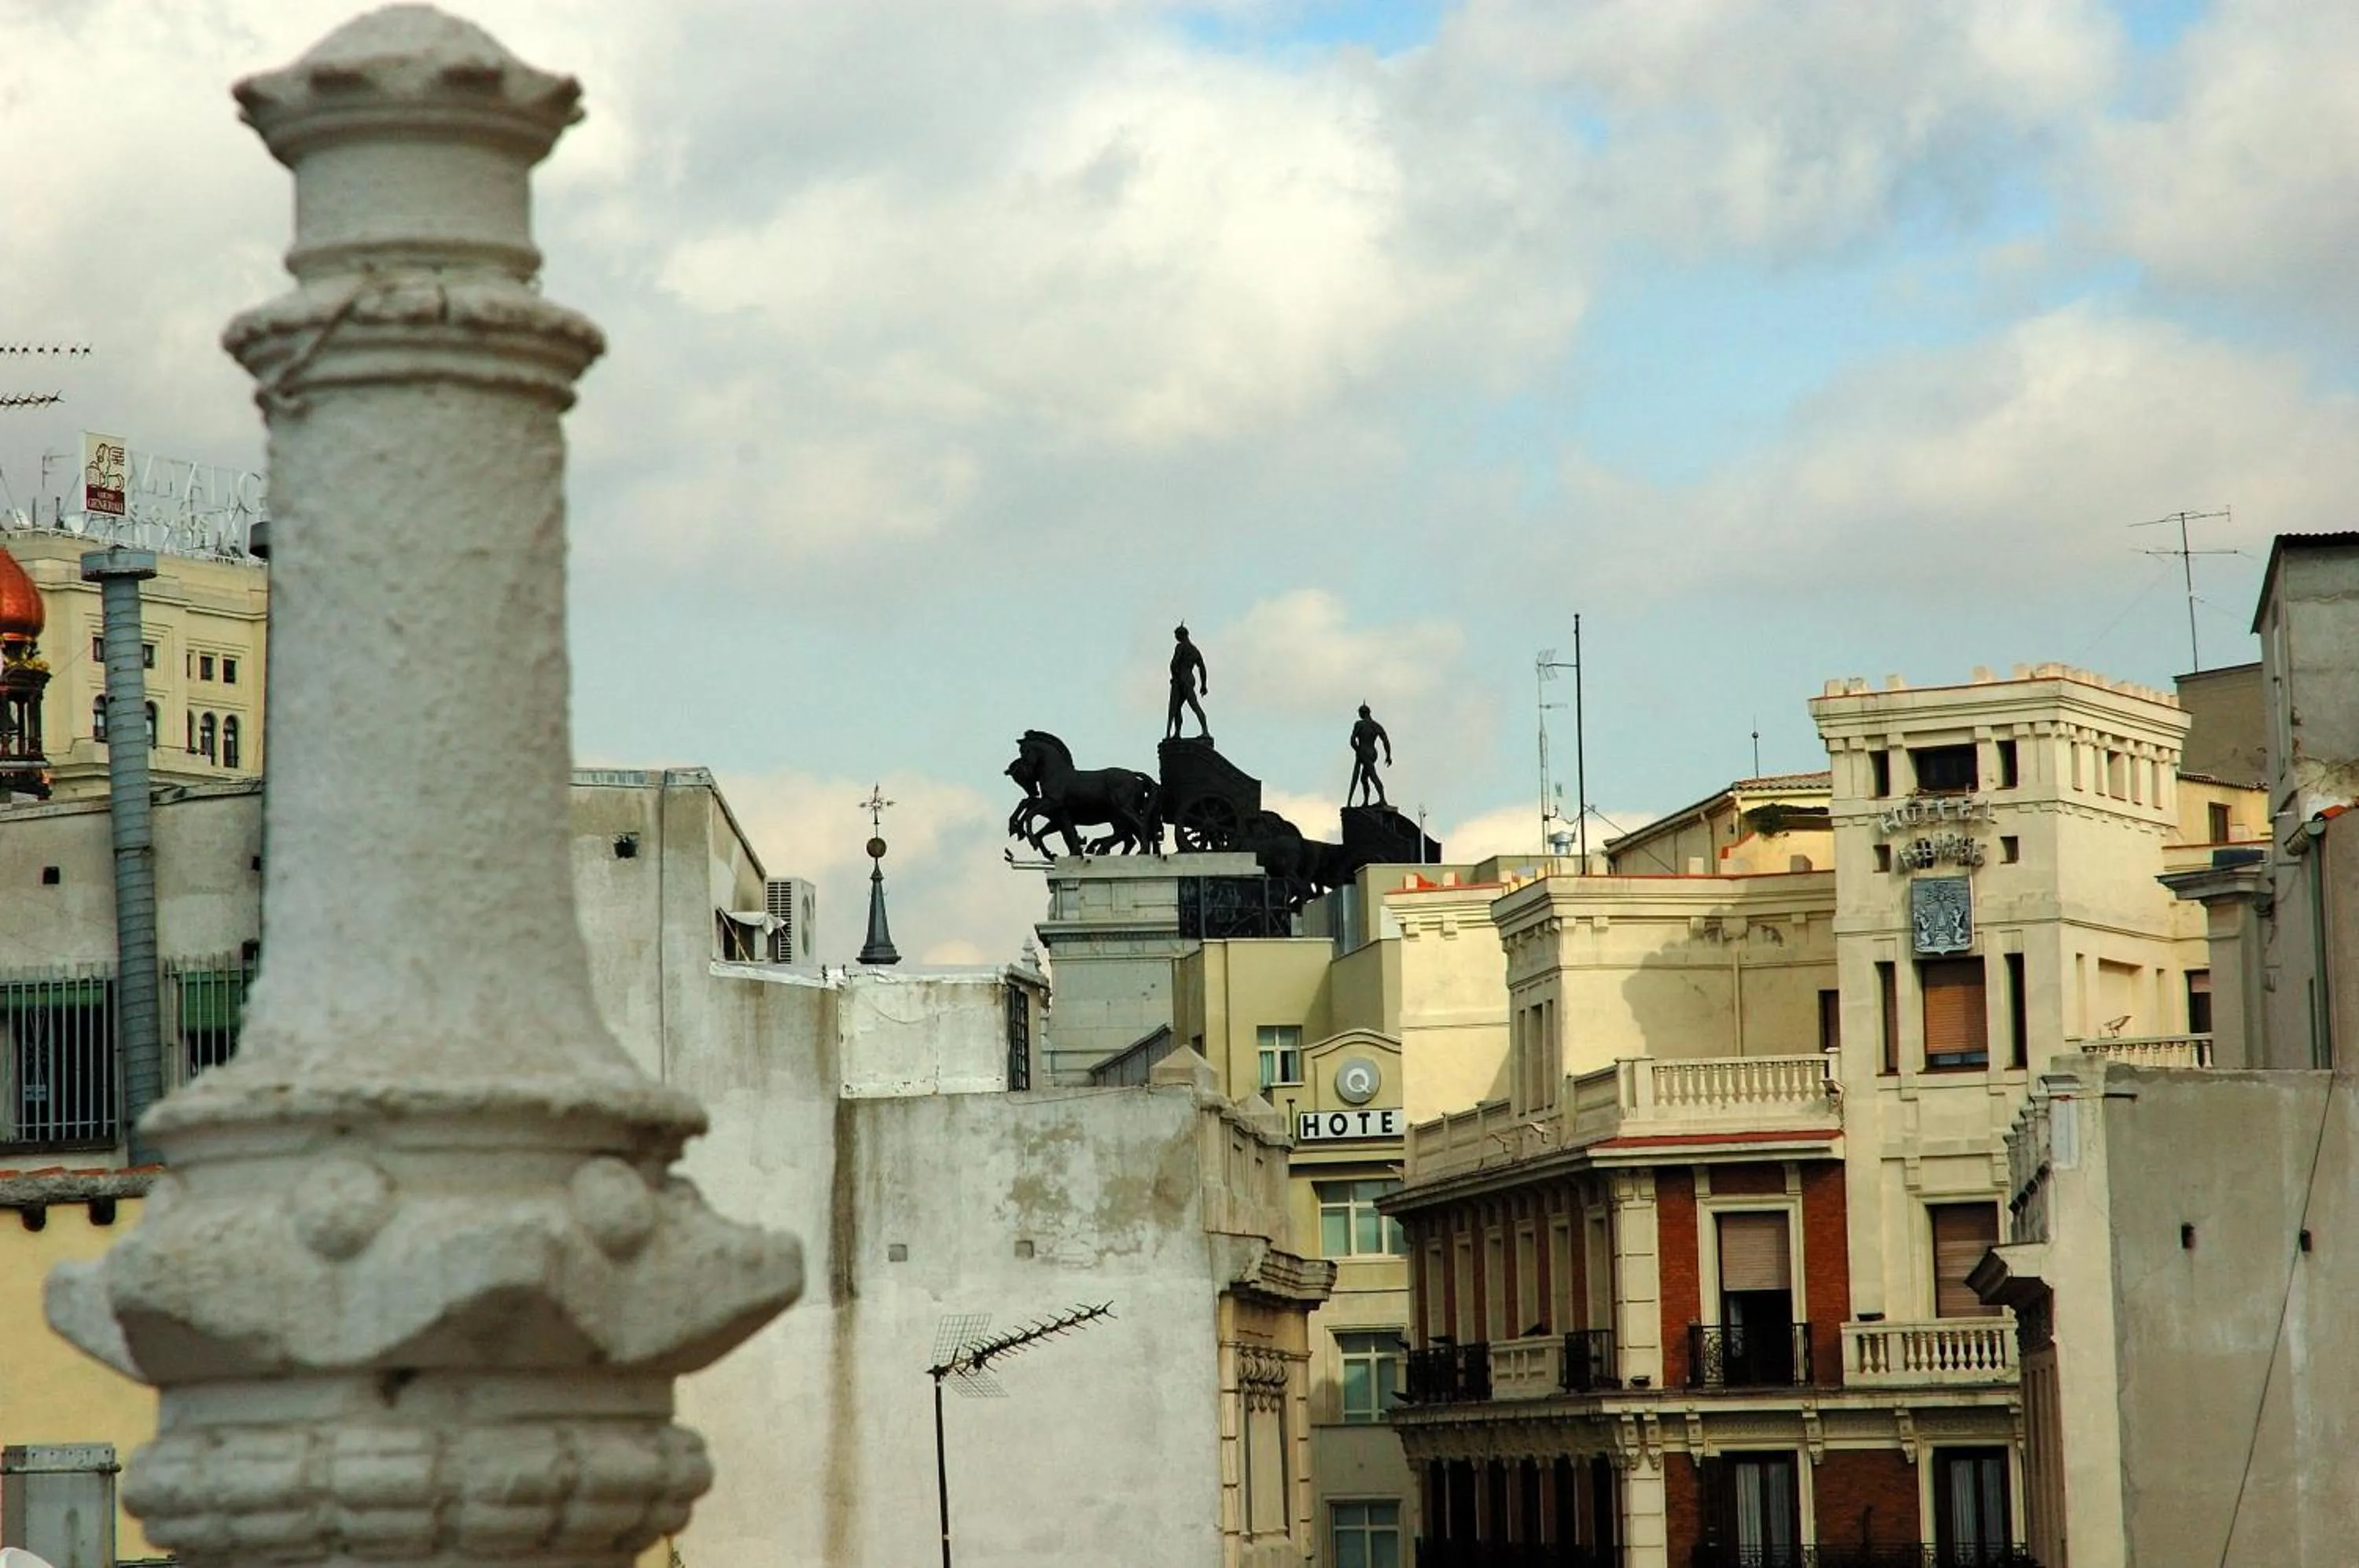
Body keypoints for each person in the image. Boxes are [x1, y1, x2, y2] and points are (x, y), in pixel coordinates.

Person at [1166, 624, 1209, 740]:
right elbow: (1202, 668)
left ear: (1182, 635)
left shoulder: (1180, 647)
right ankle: (1201, 730)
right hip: (1190, 678)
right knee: (1183, 707)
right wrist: (1203, 684)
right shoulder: (1195, 650)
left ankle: (1179, 732)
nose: (1176, 638)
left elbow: (1174, 663)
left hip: (1182, 679)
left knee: (1178, 707)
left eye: (1177, 635)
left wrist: (1174, 676)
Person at [1348, 703, 1391, 807]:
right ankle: (1366, 801)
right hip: (1373, 752)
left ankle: (1382, 799)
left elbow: (1353, 739)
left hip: (1364, 751)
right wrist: (1388, 755)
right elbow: (1385, 740)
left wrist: (1357, 750)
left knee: (1373, 776)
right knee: (1363, 778)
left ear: (1362, 713)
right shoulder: (1376, 725)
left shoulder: (1359, 724)